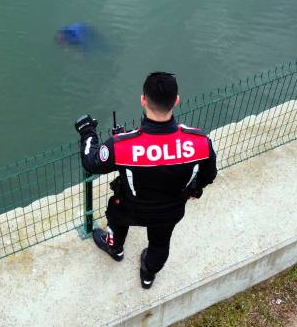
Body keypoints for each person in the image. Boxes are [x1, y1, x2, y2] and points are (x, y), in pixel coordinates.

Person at [74, 72, 217, 288]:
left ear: (143, 100)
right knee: (160, 243)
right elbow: (209, 174)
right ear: (176, 100)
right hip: (171, 210)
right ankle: (148, 275)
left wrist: (87, 132)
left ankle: (116, 248)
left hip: (129, 208)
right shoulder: (200, 142)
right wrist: (195, 190)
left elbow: (91, 162)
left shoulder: (120, 146)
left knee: (116, 218)